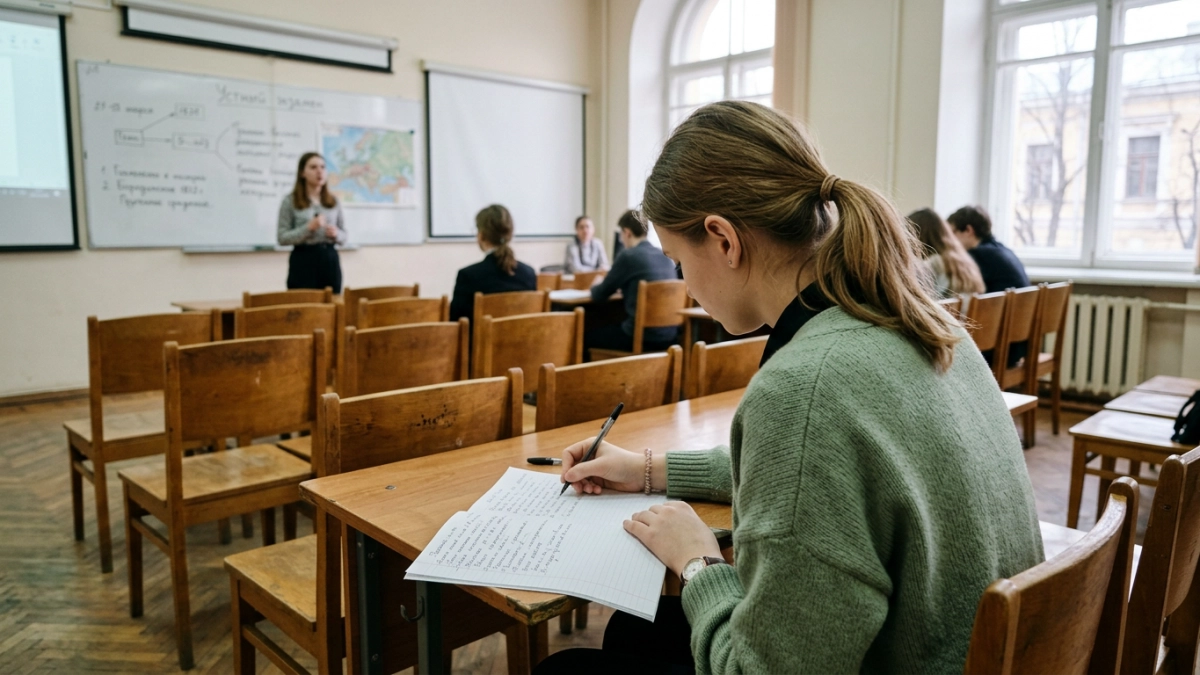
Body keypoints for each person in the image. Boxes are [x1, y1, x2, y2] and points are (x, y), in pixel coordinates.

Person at [540, 101, 1042, 674]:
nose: (682, 284)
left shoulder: (805, 387)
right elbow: (825, 474)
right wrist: (649, 470)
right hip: (979, 648)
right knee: (639, 631)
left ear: (724, 240)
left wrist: (700, 564)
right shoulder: (927, 322)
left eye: (679, 261)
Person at [584, 209, 679, 355]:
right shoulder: (664, 255)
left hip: (641, 337)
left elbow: (599, 295)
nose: (621, 240)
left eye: (621, 234)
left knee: (585, 337)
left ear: (627, 232)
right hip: (670, 335)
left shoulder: (628, 256)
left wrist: (595, 284)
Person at [449, 204, 537, 321]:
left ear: (481, 235)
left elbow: (458, 325)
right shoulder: (529, 274)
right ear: (510, 234)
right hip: (521, 339)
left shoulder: (468, 276)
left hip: (481, 339)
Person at [278, 152, 346, 293]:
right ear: (303, 173)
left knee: (333, 307)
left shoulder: (333, 201)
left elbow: (344, 235)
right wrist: (308, 228)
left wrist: (336, 234)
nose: (319, 171)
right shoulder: (290, 201)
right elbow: (282, 237)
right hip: (303, 260)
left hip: (329, 259)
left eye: (322, 167)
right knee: (303, 309)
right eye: (313, 167)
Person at [947, 205, 1029, 294]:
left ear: (968, 230)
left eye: (952, 233)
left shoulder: (978, 255)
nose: (950, 239)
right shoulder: (1005, 251)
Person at [908, 207, 985, 297]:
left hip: (943, 311)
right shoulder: (964, 261)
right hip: (965, 311)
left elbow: (923, 300)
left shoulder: (936, 263)